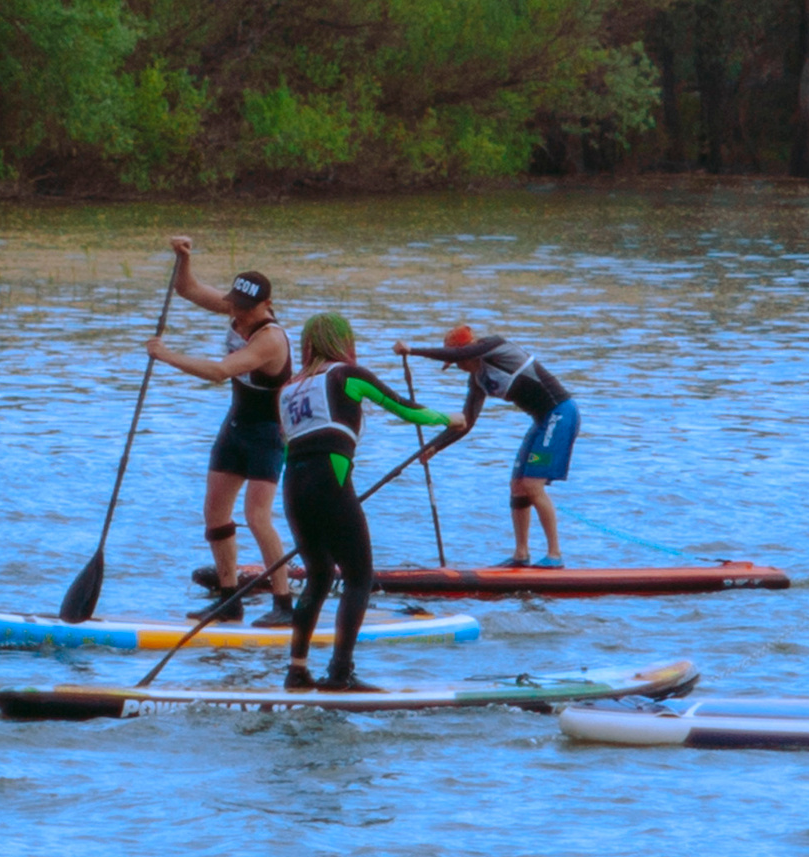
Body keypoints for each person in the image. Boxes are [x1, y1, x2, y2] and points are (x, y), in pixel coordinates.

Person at [274, 314, 454, 693]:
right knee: (359, 577)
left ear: (307, 343)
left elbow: (286, 440)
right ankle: (340, 674)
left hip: (293, 487)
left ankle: (297, 670)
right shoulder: (347, 375)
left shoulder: (288, 389)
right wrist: (450, 418)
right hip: (329, 482)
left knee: (319, 578)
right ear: (344, 341)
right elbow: (407, 410)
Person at [146, 243, 294, 619]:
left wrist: (166, 356)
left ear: (266, 305)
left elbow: (219, 372)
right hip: (235, 428)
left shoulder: (270, 339)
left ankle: (283, 603)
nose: (238, 316)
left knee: (257, 517)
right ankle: (229, 601)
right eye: (235, 307)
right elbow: (188, 290)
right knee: (214, 514)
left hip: (267, 434)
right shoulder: (235, 306)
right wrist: (184, 258)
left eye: (245, 311)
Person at [404, 324, 580, 568]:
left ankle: (555, 555)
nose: (460, 366)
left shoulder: (495, 345)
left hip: (560, 414)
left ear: (470, 350)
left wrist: (412, 351)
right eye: (456, 364)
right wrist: (435, 448)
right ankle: (521, 554)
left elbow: (457, 354)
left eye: (460, 360)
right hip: (542, 421)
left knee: (532, 484)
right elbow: (466, 422)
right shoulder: (477, 382)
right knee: (518, 486)